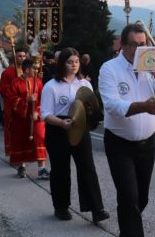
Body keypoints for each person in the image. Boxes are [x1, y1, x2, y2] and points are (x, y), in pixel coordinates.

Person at [99, 23, 155, 237]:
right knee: (129, 198)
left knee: (141, 198)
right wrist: (143, 106)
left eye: (143, 44)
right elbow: (111, 105)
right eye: (134, 45)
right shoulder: (109, 69)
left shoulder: (152, 66)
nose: (139, 50)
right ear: (122, 45)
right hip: (119, 144)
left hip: (147, 143)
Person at [40, 47, 109, 223]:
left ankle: (96, 208)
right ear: (62, 64)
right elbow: (45, 114)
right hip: (58, 128)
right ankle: (61, 207)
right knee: (61, 170)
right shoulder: (51, 86)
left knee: (87, 167)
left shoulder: (85, 84)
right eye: (70, 62)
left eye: (76, 62)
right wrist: (61, 123)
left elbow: (91, 108)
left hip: (80, 127)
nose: (74, 65)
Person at [5, 59, 48, 180]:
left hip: (36, 118)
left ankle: (41, 169)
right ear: (27, 70)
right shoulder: (15, 83)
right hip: (20, 119)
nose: (36, 71)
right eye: (34, 68)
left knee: (40, 139)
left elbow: (43, 98)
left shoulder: (38, 82)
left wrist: (36, 111)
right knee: (21, 141)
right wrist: (26, 100)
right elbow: (11, 99)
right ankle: (22, 167)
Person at [0, 48, 26, 157]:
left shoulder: (29, 71)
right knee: (13, 130)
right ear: (15, 57)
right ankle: (14, 153)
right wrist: (15, 87)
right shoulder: (7, 72)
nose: (22, 58)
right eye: (20, 56)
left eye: (24, 56)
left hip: (26, 106)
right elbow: (2, 89)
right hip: (12, 106)